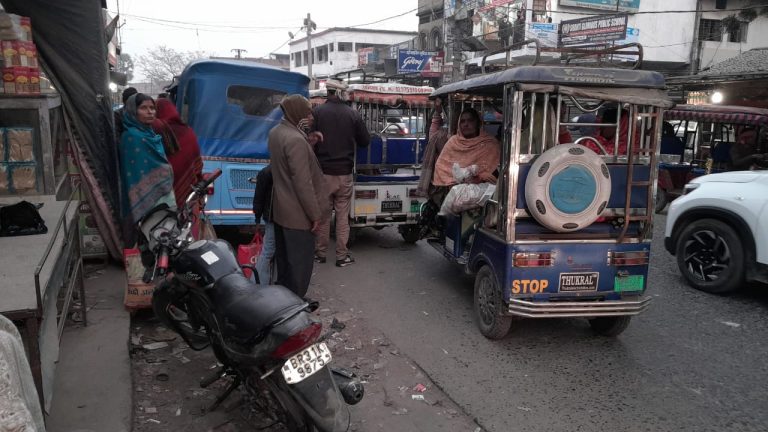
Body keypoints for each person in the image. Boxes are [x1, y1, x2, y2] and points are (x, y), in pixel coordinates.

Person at [268, 94, 328, 298]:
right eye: (307, 112)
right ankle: (295, 307)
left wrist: (308, 142)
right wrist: (315, 215)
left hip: (282, 211)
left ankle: (284, 303)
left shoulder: (277, 132)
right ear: (297, 113)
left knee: (285, 266)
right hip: (298, 215)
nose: (311, 116)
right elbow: (303, 182)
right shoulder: (295, 139)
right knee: (299, 269)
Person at [311, 79, 370, 267]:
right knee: (343, 215)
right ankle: (341, 256)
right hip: (344, 173)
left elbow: (309, 140)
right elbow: (365, 141)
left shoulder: (317, 112)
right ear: (339, 93)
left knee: (323, 215)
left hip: (323, 174)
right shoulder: (352, 114)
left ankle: (320, 254)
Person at [119, 93, 176, 247]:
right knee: (148, 234)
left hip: (163, 196)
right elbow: (134, 171)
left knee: (164, 234)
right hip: (143, 198)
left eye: (152, 108)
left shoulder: (151, 134)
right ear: (133, 111)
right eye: (144, 108)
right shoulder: (131, 137)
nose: (150, 112)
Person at [151, 98, 204, 239]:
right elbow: (197, 163)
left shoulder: (156, 130)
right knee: (186, 232)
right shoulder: (188, 132)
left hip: (163, 193)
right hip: (188, 193)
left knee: (163, 234)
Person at [432, 107, 501, 188]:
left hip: (484, 192)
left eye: (470, 120)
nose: (466, 124)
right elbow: (441, 167)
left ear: (478, 123)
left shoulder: (490, 144)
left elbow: (494, 170)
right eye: (462, 121)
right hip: (454, 192)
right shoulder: (453, 142)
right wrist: (459, 181)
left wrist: (480, 177)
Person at [417, 97, 451, 196]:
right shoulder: (440, 136)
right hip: (439, 181)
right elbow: (434, 125)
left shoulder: (449, 137)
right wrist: (437, 111)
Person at [252, 165, 275, 285]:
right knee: (268, 251)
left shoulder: (266, 172)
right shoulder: (271, 172)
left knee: (268, 250)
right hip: (274, 217)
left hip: (271, 216)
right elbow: (259, 198)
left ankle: (258, 282)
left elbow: (258, 198)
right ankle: (257, 282)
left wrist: (257, 218)